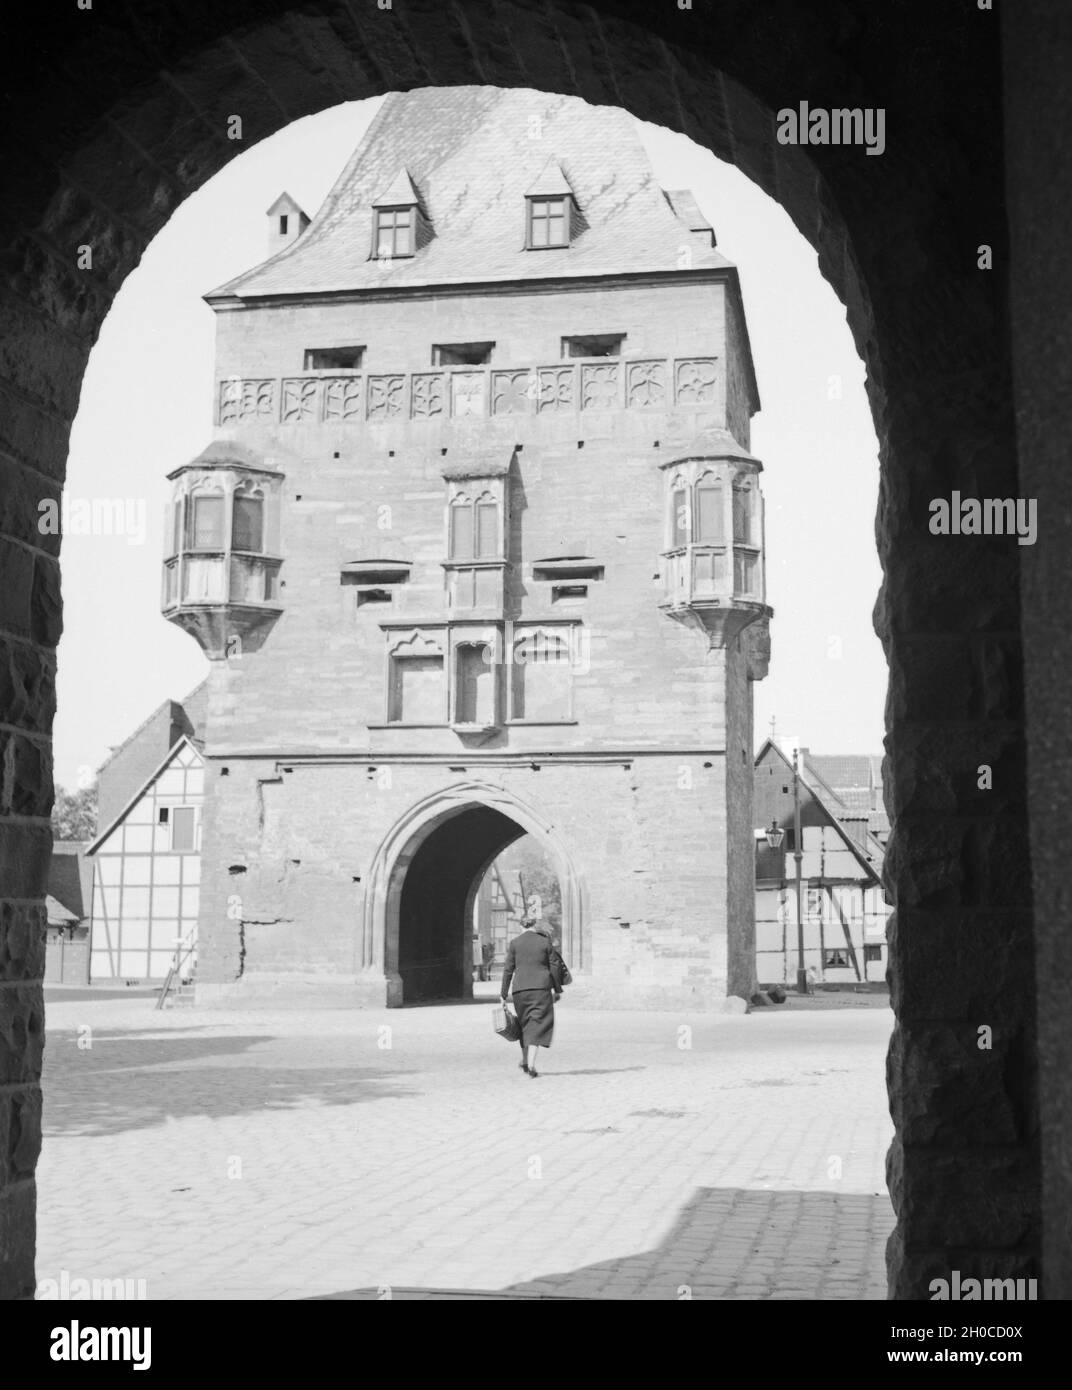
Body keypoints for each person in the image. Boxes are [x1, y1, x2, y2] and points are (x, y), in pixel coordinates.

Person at [500, 916, 562, 1078]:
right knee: (538, 1025)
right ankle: (532, 1065)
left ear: (521, 926)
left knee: (524, 1024)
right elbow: (554, 966)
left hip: (520, 990)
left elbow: (508, 969)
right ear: (534, 925)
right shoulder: (544, 941)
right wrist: (557, 989)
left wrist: (503, 994)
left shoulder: (515, 943)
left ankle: (525, 1061)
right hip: (541, 989)